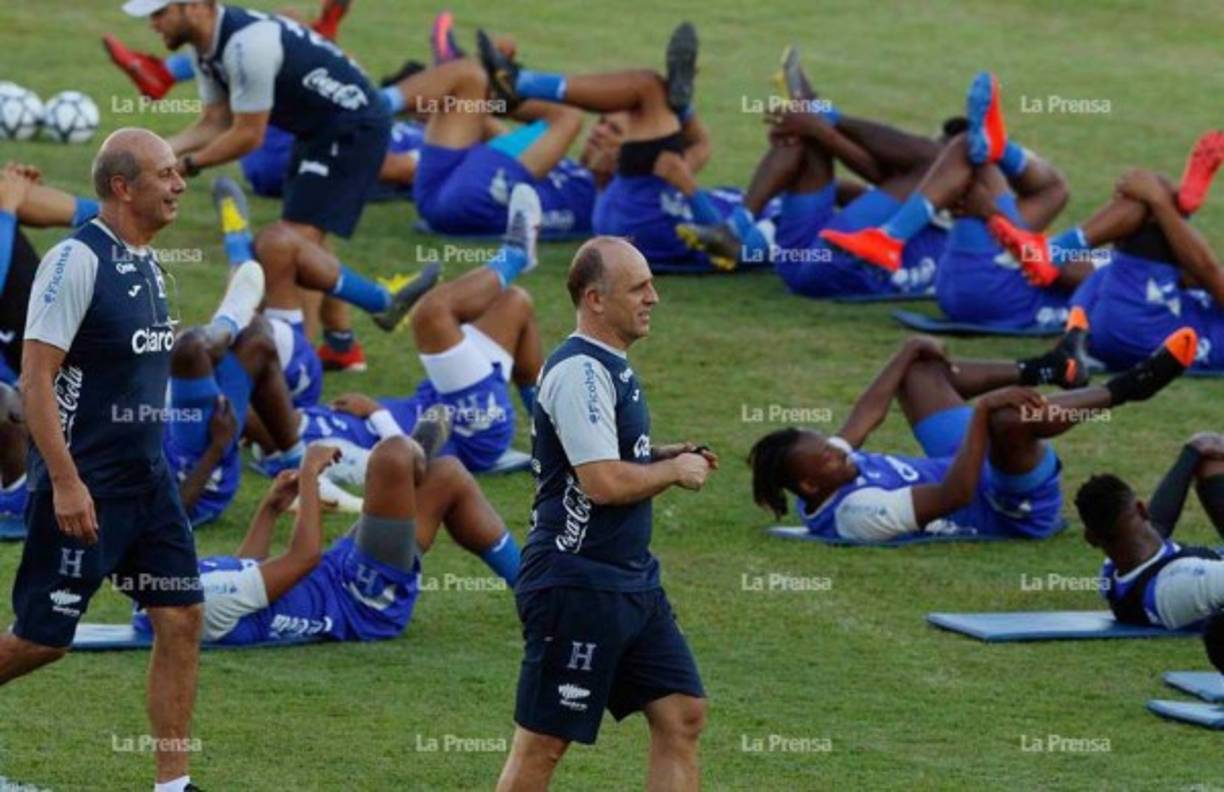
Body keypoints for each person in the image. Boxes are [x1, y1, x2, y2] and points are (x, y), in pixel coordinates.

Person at [0, 129, 204, 792]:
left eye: (178, 172)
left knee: (180, 615)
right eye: (165, 174)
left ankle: (172, 786)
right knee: (41, 639)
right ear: (122, 186)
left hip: (148, 486)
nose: (178, 184)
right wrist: (63, 482)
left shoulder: (148, 264)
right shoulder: (75, 261)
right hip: (84, 487)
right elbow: (35, 379)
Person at [498, 237, 716, 791]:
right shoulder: (581, 372)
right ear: (595, 299)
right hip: (576, 582)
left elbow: (601, 457)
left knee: (683, 713)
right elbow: (602, 482)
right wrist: (674, 473)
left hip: (628, 579)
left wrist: (656, 454)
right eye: (639, 287)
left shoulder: (608, 366)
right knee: (544, 744)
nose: (654, 297)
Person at [748, 319, 1197, 543]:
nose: (838, 449)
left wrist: (906, 352)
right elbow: (955, 496)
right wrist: (981, 414)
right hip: (1008, 507)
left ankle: (1057, 366)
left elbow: (866, 415)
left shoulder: (828, 470)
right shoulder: (856, 512)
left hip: (964, 463)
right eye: (827, 454)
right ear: (809, 483)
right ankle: (1130, 387)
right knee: (1006, 421)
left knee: (922, 372)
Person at [124, 0, 393, 371]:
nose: (154, 25)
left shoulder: (247, 45)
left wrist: (186, 166)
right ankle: (342, 346)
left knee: (294, 243)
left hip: (354, 126)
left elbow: (248, 136)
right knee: (305, 236)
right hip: (318, 129)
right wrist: (155, 154)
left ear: (197, 7)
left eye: (160, 13)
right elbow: (215, 122)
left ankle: (297, 362)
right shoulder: (206, 47)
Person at [133, 411, 521, 645]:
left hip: (340, 578)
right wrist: (309, 472)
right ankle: (412, 454)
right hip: (360, 600)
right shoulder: (194, 600)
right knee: (392, 456)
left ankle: (534, 590)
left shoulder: (172, 593)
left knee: (448, 476)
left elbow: (247, 572)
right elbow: (303, 558)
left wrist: (269, 509)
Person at [299, 184, 543, 475]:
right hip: (470, 428)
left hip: (436, 401)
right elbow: (394, 468)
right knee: (432, 313)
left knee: (512, 303)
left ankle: (553, 436)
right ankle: (515, 254)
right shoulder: (303, 452)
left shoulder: (298, 414)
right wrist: (376, 414)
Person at [678, 46, 952, 292]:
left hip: (845, 264)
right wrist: (816, 131)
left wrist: (824, 124)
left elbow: (897, 175)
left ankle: (819, 113)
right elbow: (875, 182)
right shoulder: (923, 196)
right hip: (807, 261)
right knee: (806, 139)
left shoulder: (955, 183)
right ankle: (736, 227)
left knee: (933, 160)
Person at [821, 72, 1081, 329]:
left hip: (990, 291)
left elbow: (1052, 265)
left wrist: (993, 217)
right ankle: (997, 147)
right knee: (1052, 188)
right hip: (972, 287)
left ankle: (890, 237)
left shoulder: (1102, 272)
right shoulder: (1108, 269)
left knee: (969, 149)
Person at [993, 152, 1224, 371]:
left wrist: (1162, 203)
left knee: (1150, 201)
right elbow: (1195, 275)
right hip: (1132, 323)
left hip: (1148, 335)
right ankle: (1050, 254)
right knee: (1152, 198)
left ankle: (1051, 253)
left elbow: (1207, 272)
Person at [379, 36, 596, 239]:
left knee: (570, 115)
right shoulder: (571, 168)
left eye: (614, 131)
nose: (599, 132)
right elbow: (501, 138)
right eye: (603, 124)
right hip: (442, 192)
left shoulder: (600, 199)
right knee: (469, 78)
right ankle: (492, 82)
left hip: (476, 202)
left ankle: (507, 83)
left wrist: (496, 89)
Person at [1075, 433, 1224, 677]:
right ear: (1141, 509)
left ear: (1091, 539)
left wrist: (1193, 452)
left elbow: (1160, 522)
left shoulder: (1114, 569)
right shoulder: (1184, 585)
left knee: (1211, 464)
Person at [0, 162, 101, 383]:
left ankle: (107, 213)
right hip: (19, 369)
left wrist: (15, 192)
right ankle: (114, 214)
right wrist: (8, 208)